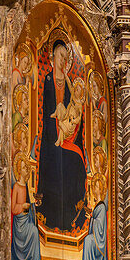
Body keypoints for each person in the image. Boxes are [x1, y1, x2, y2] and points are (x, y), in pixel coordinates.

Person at [37, 39, 87, 231]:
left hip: (66, 133)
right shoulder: (49, 80)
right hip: (52, 133)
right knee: (52, 168)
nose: (63, 61)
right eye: (60, 56)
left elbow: (74, 105)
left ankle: (69, 220)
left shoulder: (68, 85)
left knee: (73, 164)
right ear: (53, 57)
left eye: (66, 57)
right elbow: (47, 107)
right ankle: (50, 220)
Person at [10, 153, 41, 260]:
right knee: (33, 231)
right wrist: (22, 206)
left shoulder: (27, 186)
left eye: (26, 167)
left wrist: (34, 205)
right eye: (23, 167)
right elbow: (13, 208)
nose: (26, 169)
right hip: (20, 223)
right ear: (18, 170)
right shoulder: (17, 186)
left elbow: (29, 205)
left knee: (34, 231)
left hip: (26, 220)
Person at [82, 174, 109, 260]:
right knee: (87, 239)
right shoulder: (98, 205)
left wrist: (92, 218)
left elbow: (100, 226)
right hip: (95, 236)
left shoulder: (102, 206)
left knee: (88, 240)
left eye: (98, 187)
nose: (96, 189)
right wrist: (92, 217)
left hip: (99, 240)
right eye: (95, 187)